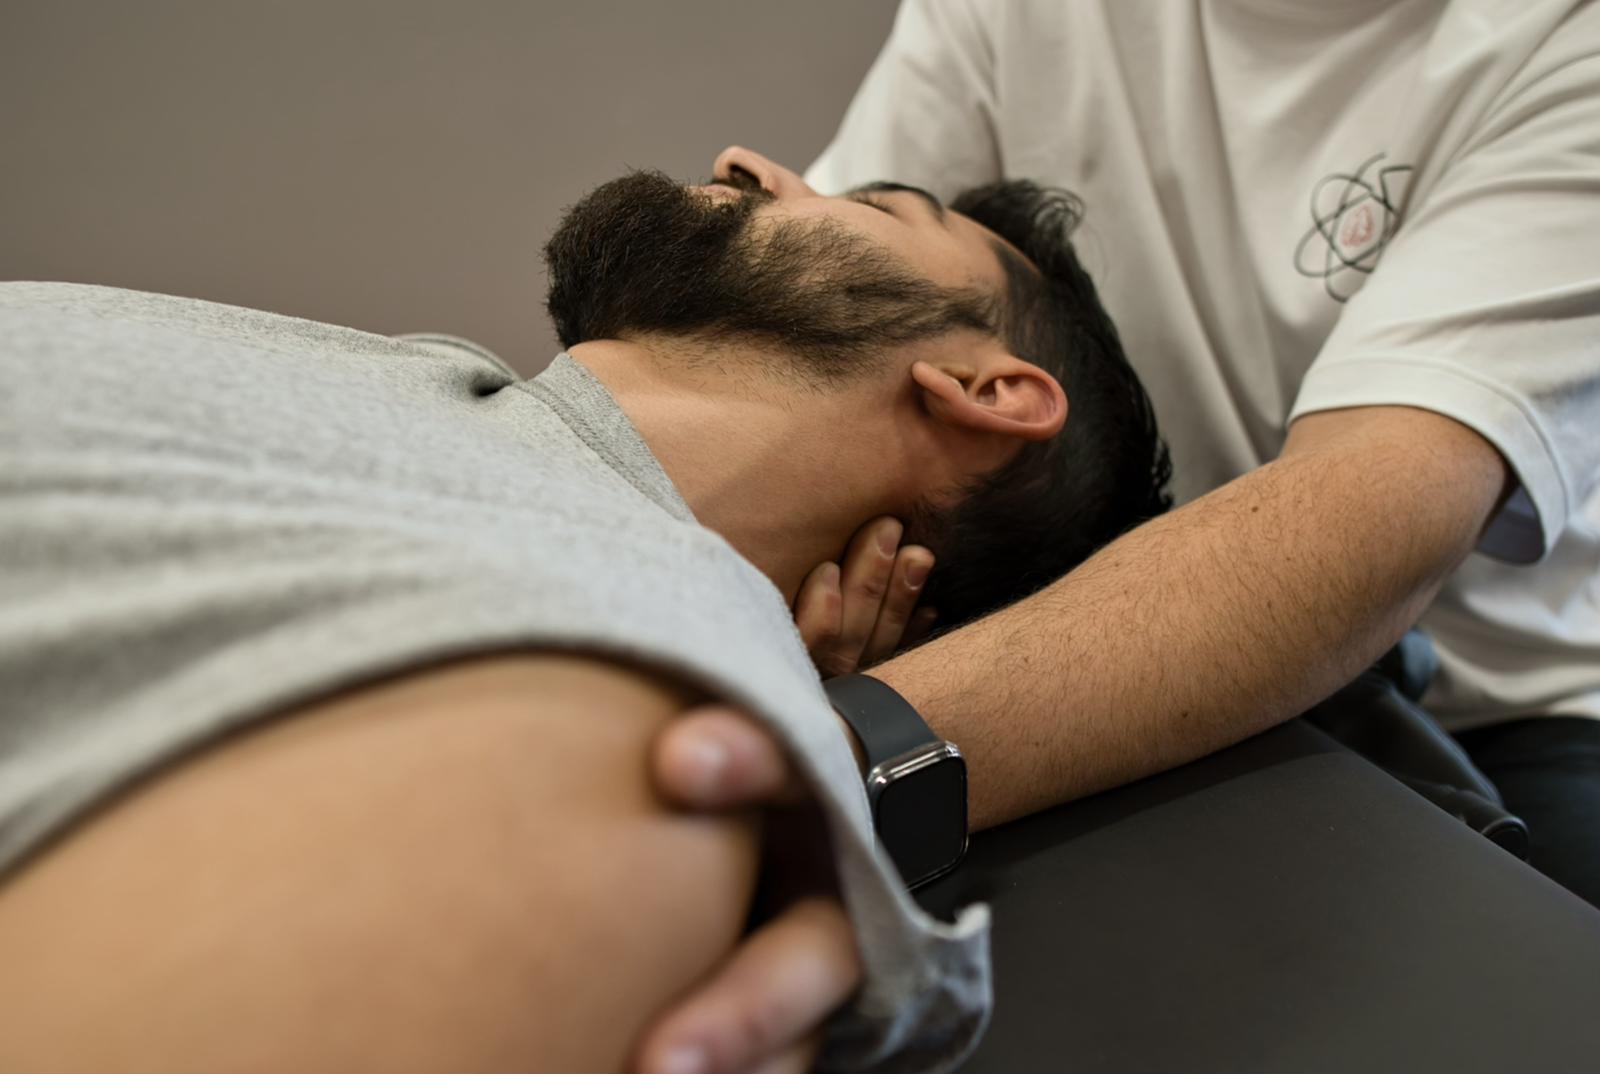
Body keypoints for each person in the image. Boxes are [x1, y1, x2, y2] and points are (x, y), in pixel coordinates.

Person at [0, 149, 1169, 1072]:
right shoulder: (389, 389)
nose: (754, 161)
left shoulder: (646, 723)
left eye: (867, 201)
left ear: (987, 391)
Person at [642, 1, 1600, 1070]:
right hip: (1032, 621)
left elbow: (1372, 509)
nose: (745, 167)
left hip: (1507, 701)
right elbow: (808, 335)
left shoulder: (1562, 49)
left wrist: (831, 760)